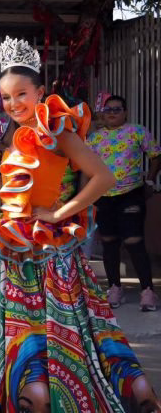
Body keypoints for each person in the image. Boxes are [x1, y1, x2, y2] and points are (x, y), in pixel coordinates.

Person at [0, 36, 161, 412]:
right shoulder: (12, 137)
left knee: (59, 333)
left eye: (21, 94)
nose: (14, 104)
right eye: (6, 97)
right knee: (15, 334)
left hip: (50, 254)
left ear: (41, 91)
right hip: (13, 252)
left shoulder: (57, 129)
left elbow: (102, 177)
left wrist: (60, 214)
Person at [87, 94, 161, 311]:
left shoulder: (138, 132)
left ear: (125, 112)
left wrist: (150, 179)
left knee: (133, 240)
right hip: (104, 196)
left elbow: (156, 156)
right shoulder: (94, 138)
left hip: (131, 193)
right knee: (110, 242)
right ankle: (114, 289)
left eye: (117, 109)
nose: (112, 113)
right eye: (108, 109)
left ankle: (147, 292)